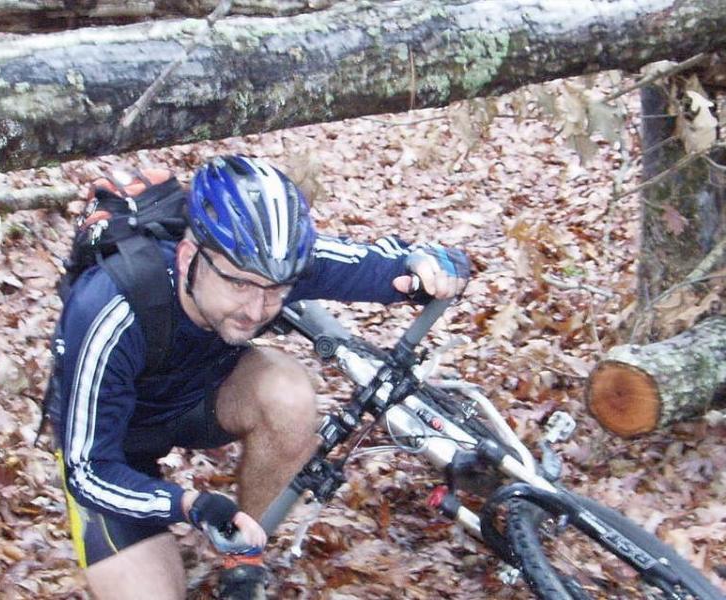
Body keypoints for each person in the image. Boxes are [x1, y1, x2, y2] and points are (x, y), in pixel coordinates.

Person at [49, 155, 470, 600]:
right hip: (119, 446)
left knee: (287, 392)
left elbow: (385, 264)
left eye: (276, 291)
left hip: (201, 394)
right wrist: (186, 506)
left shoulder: (275, 264)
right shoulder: (111, 307)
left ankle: (244, 551)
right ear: (192, 255)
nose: (256, 309)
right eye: (239, 285)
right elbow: (89, 469)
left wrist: (436, 265)